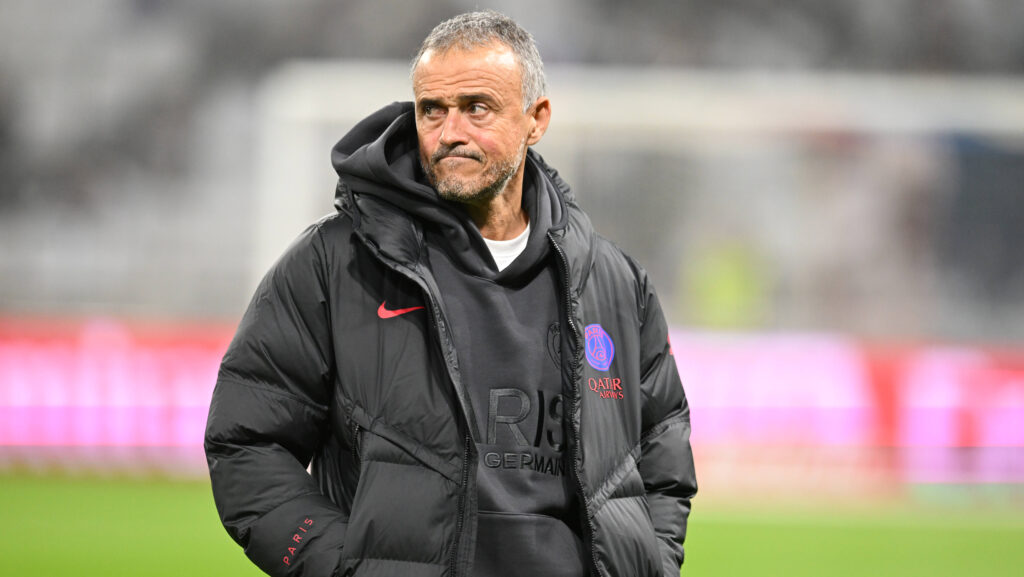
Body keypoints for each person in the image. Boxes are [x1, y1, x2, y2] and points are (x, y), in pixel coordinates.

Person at [205, 10, 696, 577]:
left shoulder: (616, 283)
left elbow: (662, 456)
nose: (449, 133)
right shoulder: (335, 263)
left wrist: (650, 563)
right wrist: (344, 567)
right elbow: (247, 442)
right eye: (432, 110)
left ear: (536, 119)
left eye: (476, 108)